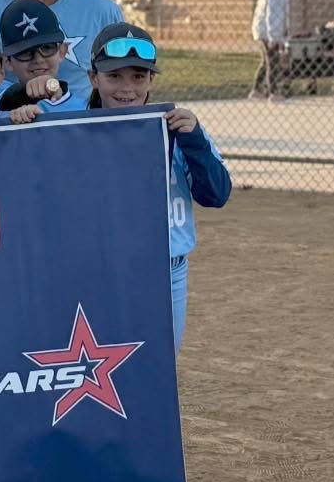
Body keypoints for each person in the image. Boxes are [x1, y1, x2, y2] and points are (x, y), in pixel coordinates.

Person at [86, 23, 231, 353]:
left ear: (151, 79)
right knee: (97, 365)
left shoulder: (176, 129)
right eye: (114, 76)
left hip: (168, 269)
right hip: (101, 271)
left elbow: (217, 194)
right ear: (94, 78)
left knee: (160, 367)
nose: (127, 88)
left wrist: (195, 143)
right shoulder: (76, 132)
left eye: (138, 76)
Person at [0, 0, 87, 124]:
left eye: (47, 48)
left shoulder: (83, 110)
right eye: (25, 52)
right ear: (7, 61)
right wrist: (26, 93)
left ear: (62, 51)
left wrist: (52, 86)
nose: (38, 59)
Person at [250, 0, 291, 100]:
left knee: (266, 61)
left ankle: (256, 90)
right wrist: (274, 37)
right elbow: (273, 17)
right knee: (273, 61)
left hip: (262, 30)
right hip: (267, 32)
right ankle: (273, 92)